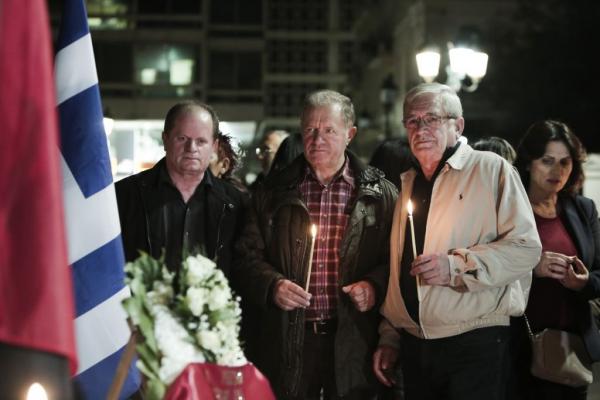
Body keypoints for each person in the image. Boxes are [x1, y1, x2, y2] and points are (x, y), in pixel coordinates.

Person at [372, 82, 542, 400]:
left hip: (474, 341)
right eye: (412, 121)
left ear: (458, 125)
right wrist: (391, 335)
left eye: (431, 119)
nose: (420, 129)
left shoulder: (491, 169)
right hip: (416, 345)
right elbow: (401, 267)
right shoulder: (408, 182)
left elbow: (526, 248)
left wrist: (455, 266)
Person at [234, 90, 397, 399]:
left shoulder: (380, 194)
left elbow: (397, 261)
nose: (317, 139)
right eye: (310, 129)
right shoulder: (273, 191)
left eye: (329, 130)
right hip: (290, 338)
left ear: (350, 134)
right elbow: (245, 257)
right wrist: (272, 285)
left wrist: (374, 285)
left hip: (353, 338)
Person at [510, 120, 600, 400]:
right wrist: (532, 269)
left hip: (570, 349)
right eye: (547, 161)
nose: (557, 171)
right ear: (529, 162)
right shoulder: (508, 209)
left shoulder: (583, 209)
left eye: (565, 162)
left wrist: (583, 282)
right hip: (519, 348)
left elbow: (598, 273)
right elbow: (488, 270)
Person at [116, 101, 246, 280]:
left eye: (201, 141)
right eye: (182, 138)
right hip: (141, 298)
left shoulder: (236, 203)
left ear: (214, 146)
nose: (191, 148)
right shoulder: (124, 196)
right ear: (165, 139)